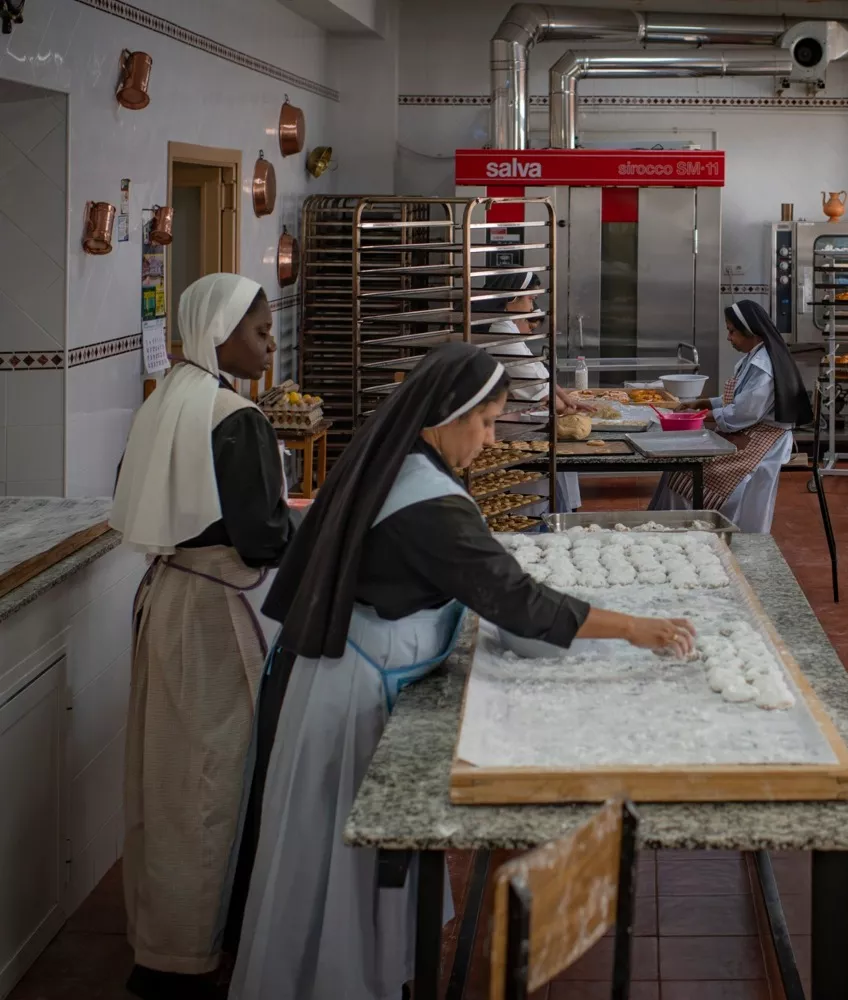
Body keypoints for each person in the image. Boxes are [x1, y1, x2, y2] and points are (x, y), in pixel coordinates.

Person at [226, 344, 695, 1000]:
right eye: (486, 422)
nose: (491, 439)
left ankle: (370, 975)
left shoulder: (406, 461)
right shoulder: (426, 500)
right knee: (339, 871)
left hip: (353, 672)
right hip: (349, 696)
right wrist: (635, 628)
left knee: (356, 875)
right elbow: (516, 600)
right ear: (445, 417)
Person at [111, 273, 294, 1000]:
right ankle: (191, 956)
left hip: (167, 599)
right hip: (218, 615)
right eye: (260, 331)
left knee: (167, 777)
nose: (271, 345)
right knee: (213, 782)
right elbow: (261, 537)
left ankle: (161, 941)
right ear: (220, 331)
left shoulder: (165, 403)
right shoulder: (235, 418)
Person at [650, 300, 813, 533]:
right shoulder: (755, 357)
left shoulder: (763, 366)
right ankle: (672, 529)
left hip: (763, 442)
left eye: (732, 331)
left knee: (686, 473)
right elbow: (739, 398)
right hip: (750, 430)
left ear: (751, 332)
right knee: (678, 468)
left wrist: (701, 416)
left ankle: (687, 532)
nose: (729, 337)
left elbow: (744, 412)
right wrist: (704, 403)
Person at [481, 269, 583, 511]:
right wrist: (565, 408)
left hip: (509, 424)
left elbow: (540, 373)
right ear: (510, 297)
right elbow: (534, 385)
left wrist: (566, 400)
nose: (532, 305)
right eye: (530, 298)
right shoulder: (499, 331)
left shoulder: (505, 326)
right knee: (526, 503)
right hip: (501, 430)